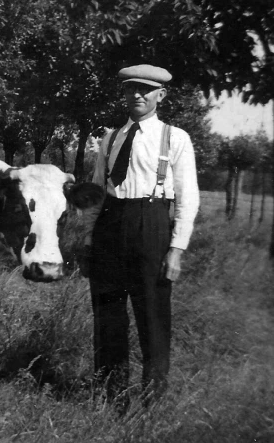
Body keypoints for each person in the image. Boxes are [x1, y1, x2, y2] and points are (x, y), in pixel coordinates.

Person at [79, 64, 200, 409]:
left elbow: (188, 198)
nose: (136, 95)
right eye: (130, 88)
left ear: (160, 95)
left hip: (152, 224)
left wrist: (176, 248)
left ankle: (152, 402)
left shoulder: (175, 138)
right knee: (108, 316)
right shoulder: (111, 137)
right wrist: (89, 239)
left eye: (144, 90)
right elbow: (98, 189)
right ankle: (112, 398)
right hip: (110, 224)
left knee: (153, 317)